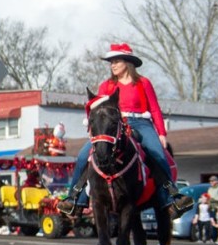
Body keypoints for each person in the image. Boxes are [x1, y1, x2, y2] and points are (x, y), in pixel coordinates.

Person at [57, 43, 193, 219]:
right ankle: (75, 199)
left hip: (141, 123)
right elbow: (96, 110)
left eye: (116, 61)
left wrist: (161, 134)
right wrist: (93, 130)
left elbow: (155, 109)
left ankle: (171, 198)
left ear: (128, 62)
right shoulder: (106, 85)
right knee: (85, 156)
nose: (112, 65)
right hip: (114, 126)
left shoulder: (143, 83)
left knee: (157, 153)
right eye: (111, 62)